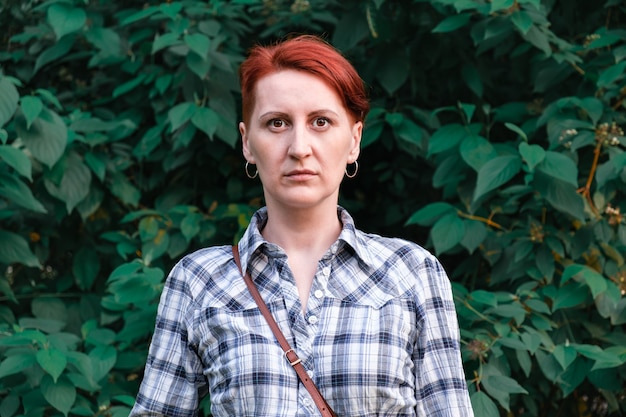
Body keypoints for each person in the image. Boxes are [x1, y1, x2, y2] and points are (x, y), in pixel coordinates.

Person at [130, 34, 475, 417]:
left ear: (354, 140)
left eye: (321, 122)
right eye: (277, 123)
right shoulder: (197, 282)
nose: (299, 147)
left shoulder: (412, 273)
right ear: (247, 143)